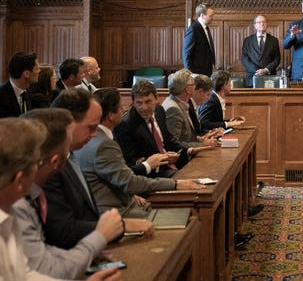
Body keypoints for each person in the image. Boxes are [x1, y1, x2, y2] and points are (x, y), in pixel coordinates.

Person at [0, 117, 122, 281]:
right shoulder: (19, 206)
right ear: (19, 180)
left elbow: (27, 272)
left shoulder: (13, 208)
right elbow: (45, 268)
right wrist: (100, 236)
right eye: (38, 162)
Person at [44, 89, 154, 250]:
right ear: (69, 124)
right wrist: (121, 225)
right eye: (91, 127)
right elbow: (62, 230)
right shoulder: (51, 165)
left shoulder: (70, 156)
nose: (95, 134)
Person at [75, 88, 202, 214]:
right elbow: (129, 182)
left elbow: (118, 177)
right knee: (186, 215)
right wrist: (175, 184)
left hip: (126, 197)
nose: (124, 109)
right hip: (115, 211)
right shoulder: (105, 143)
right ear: (111, 115)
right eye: (121, 107)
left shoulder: (98, 137)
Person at [114, 80, 209, 178]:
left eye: (148, 102)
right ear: (133, 102)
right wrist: (163, 158)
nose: (144, 107)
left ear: (156, 99)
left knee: (206, 167)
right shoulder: (126, 124)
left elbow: (169, 140)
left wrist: (189, 150)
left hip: (172, 163)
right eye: (139, 103)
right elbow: (131, 162)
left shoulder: (159, 111)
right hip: (152, 173)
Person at [162, 69, 218, 147]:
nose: (195, 87)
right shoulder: (173, 109)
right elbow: (174, 145)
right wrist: (201, 144)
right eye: (193, 84)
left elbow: (185, 136)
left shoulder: (180, 103)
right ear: (187, 89)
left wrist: (201, 138)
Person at [241, 15, 281, 87]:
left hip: (269, 79)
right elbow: (244, 58)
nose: (262, 24)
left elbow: (277, 59)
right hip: (252, 78)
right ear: (255, 25)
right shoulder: (247, 40)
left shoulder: (273, 40)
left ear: (267, 24)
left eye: (264, 22)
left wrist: (266, 70)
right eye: (259, 22)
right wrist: (257, 71)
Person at [0, 51, 40, 118]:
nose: (39, 71)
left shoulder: (29, 92)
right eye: (37, 68)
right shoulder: (2, 96)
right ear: (26, 73)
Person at [182, 3, 216, 76]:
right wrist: (191, 74)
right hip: (197, 74)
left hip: (206, 73)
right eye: (210, 15)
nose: (213, 17)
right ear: (202, 15)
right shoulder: (193, 29)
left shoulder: (206, 28)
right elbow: (186, 53)